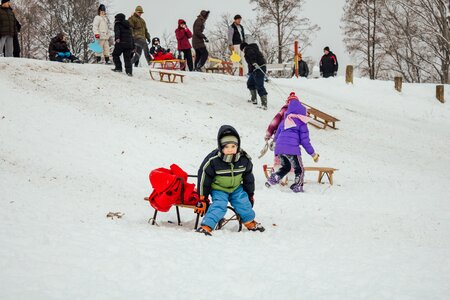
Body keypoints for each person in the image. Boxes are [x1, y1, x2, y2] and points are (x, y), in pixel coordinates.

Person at [195, 125, 265, 236]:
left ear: (238, 146)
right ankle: (207, 225)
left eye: (233, 146)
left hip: (236, 188)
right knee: (219, 205)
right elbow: (204, 177)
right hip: (218, 188)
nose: (230, 149)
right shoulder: (213, 160)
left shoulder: (244, 160)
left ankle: (249, 221)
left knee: (243, 202)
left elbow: (249, 178)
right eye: (226, 147)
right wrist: (202, 198)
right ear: (221, 147)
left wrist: (250, 194)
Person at [265, 97, 319, 193]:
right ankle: (298, 186)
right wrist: (313, 154)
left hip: (280, 150)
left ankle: (274, 178)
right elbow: (305, 141)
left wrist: (275, 145)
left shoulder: (284, 121)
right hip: (292, 151)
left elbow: (277, 135)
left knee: (286, 167)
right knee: (299, 169)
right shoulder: (302, 123)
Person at [241, 42, 268, 110]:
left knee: (259, 85)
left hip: (259, 67)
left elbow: (252, 56)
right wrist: (250, 72)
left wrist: (254, 62)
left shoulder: (248, 49)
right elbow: (250, 64)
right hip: (255, 69)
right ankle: (254, 99)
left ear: (243, 48)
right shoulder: (251, 48)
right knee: (250, 83)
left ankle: (264, 104)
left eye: (242, 50)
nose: (243, 51)